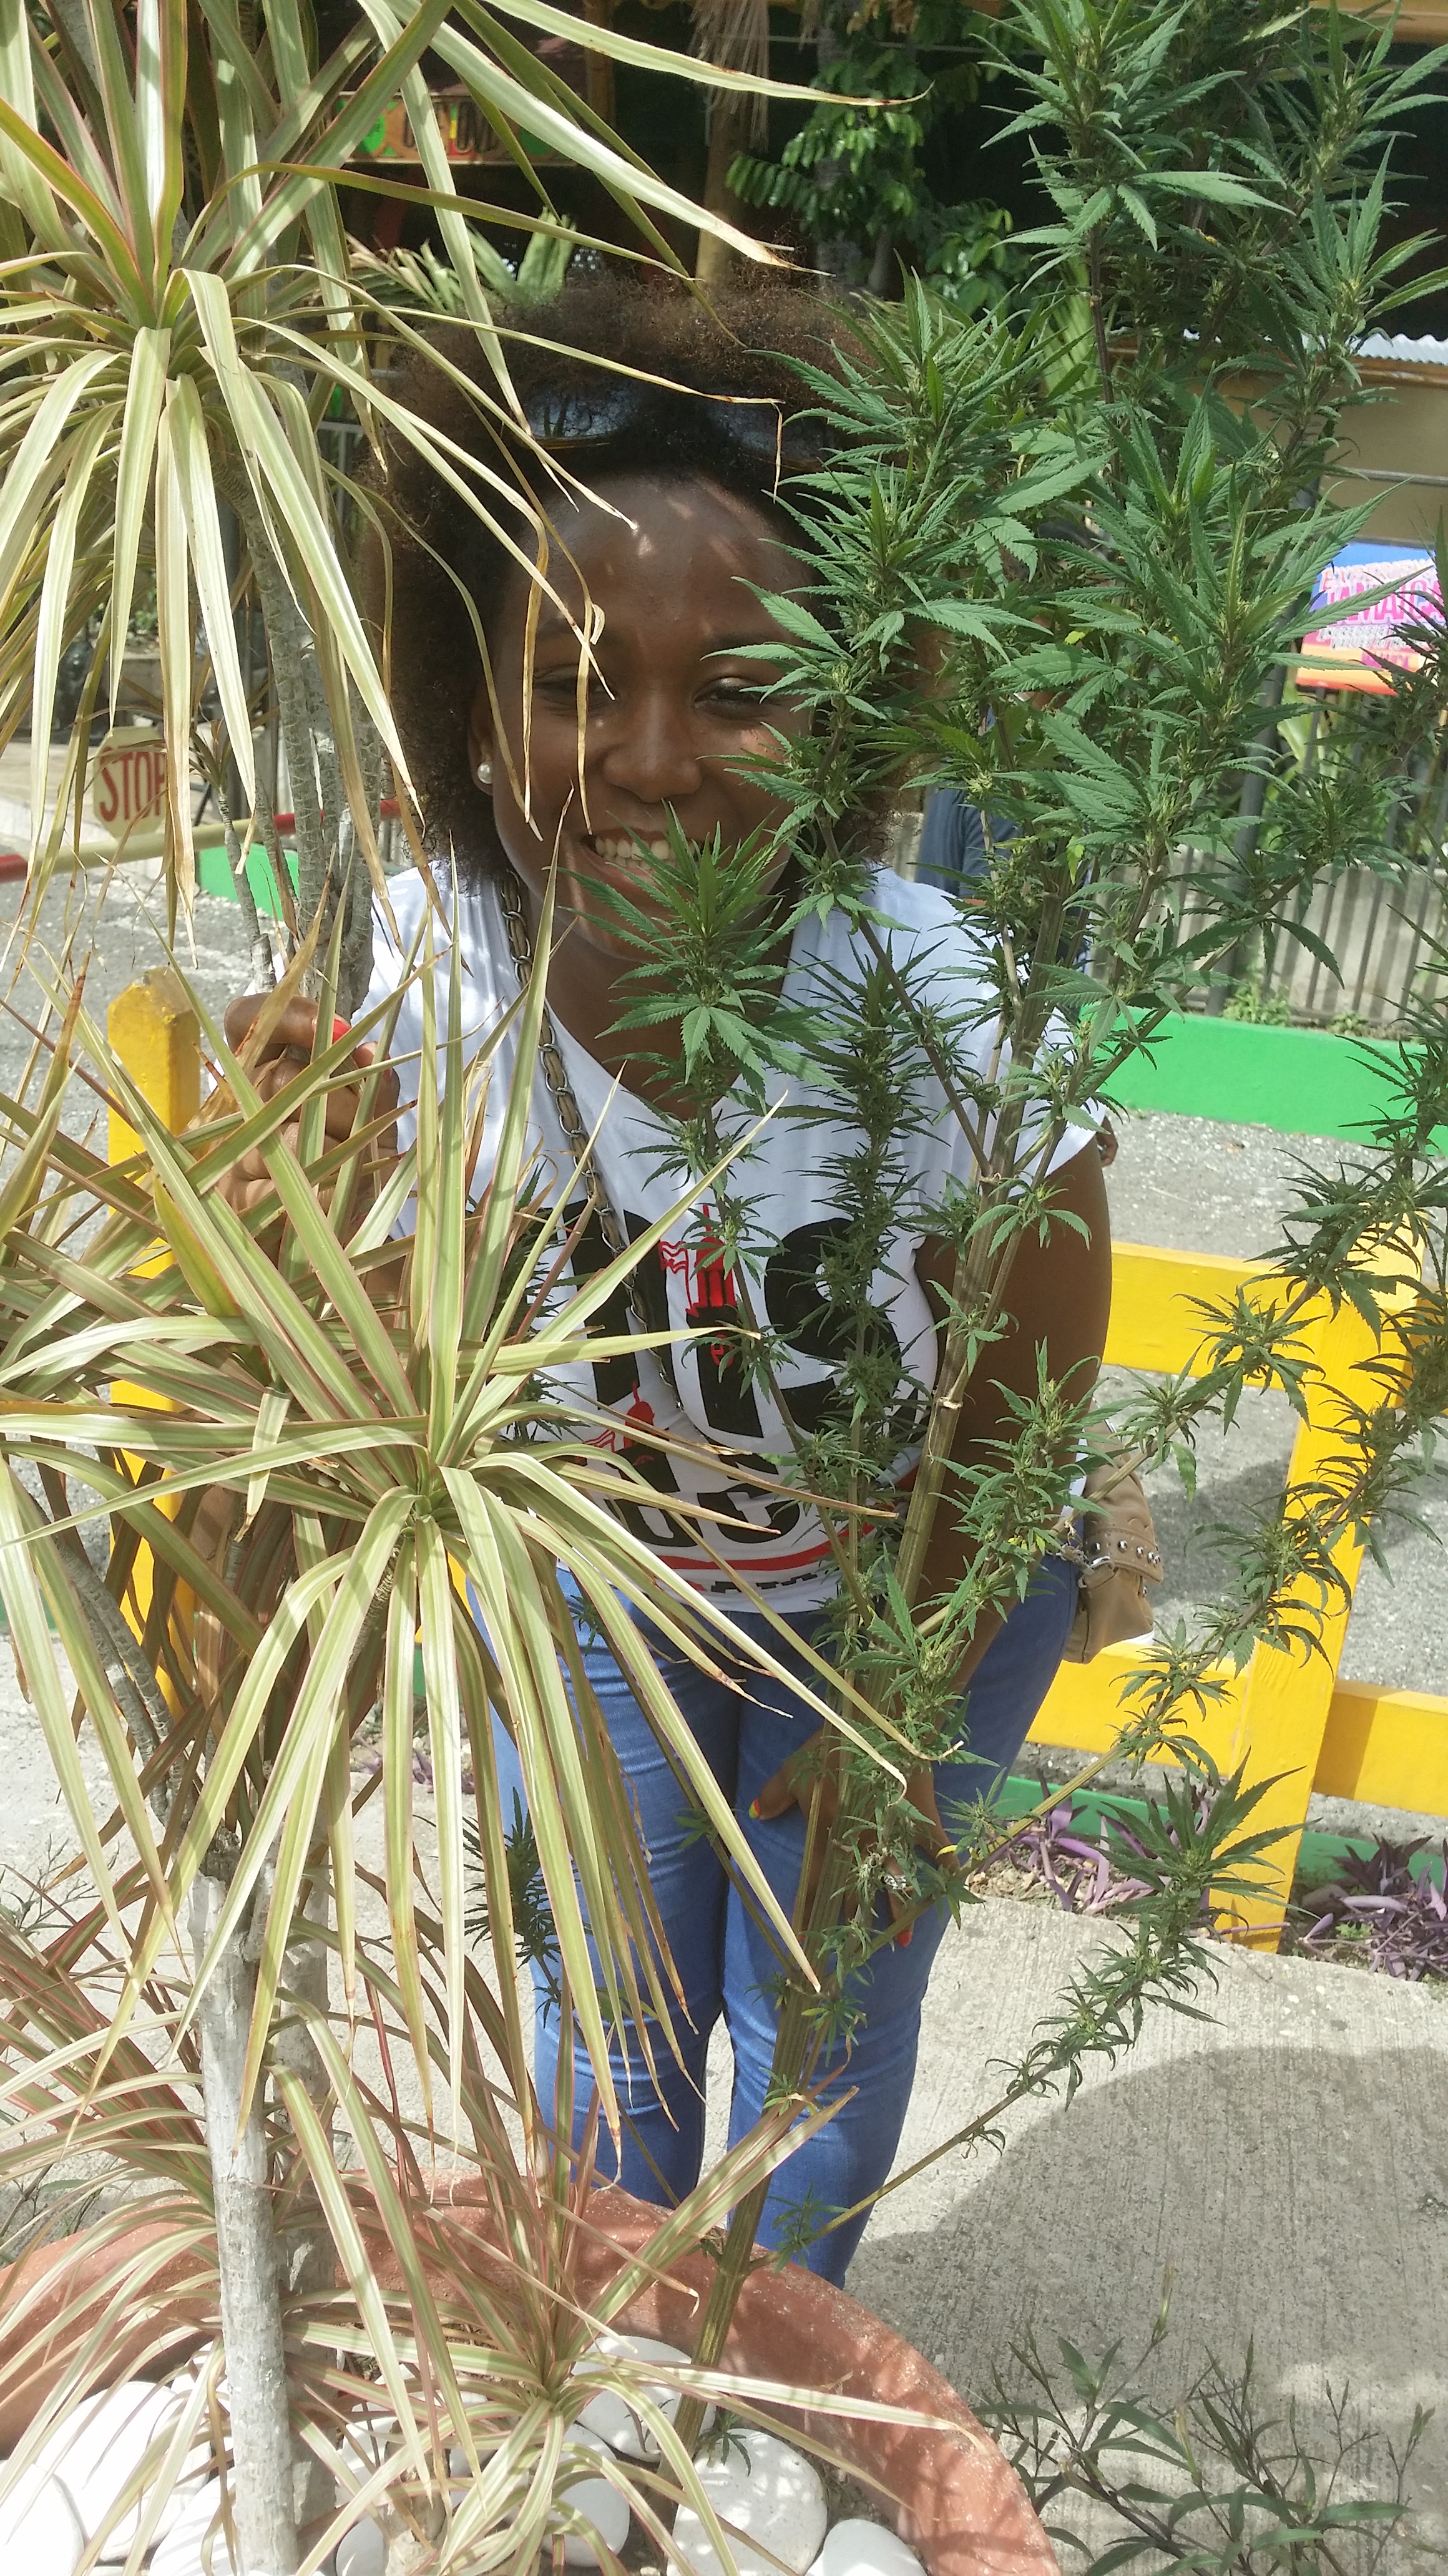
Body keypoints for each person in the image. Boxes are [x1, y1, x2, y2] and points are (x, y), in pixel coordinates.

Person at [223, 276, 1112, 2284]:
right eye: (572, 681)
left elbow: (1026, 1414)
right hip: (617, 1587)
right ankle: (611, 2388)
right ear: (471, 709)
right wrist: (291, 1214)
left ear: (843, 721)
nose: (647, 759)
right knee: (605, 2022)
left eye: (739, 692)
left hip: (911, 1583)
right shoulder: (416, 980)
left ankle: (769, 2394)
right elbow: (352, 1400)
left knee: (816, 2031)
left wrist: (893, 1718)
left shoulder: (940, 1014)